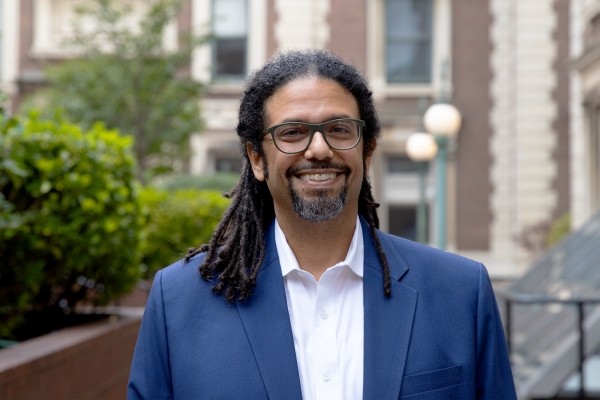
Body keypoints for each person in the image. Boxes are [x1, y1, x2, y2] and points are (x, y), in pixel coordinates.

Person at [128, 50, 516, 400]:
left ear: (367, 150)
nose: (319, 149)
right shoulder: (177, 303)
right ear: (257, 159)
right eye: (292, 132)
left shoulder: (462, 294)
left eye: (339, 129)